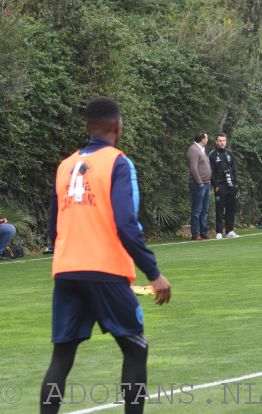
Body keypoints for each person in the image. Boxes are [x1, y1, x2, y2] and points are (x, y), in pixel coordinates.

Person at [40, 97, 171, 414]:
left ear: (87, 127)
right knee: (135, 348)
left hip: (67, 270)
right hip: (105, 270)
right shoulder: (117, 162)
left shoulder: (64, 165)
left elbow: (54, 227)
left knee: (62, 355)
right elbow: (126, 224)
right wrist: (153, 272)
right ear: (117, 126)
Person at [208, 132, 239, 239]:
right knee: (220, 209)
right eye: (220, 141)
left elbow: (234, 170)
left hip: (231, 186)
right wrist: (215, 185)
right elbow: (210, 172)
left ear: (226, 141)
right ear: (216, 142)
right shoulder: (212, 155)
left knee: (231, 208)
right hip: (220, 186)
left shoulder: (230, 154)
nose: (222, 143)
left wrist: (235, 184)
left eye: (224, 140)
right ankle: (219, 231)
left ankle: (230, 230)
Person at [186, 132, 212, 240]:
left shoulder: (201, 150)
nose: (207, 140)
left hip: (206, 183)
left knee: (204, 209)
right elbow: (193, 168)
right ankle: (195, 233)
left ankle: (203, 232)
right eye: (206, 138)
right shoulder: (193, 150)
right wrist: (199, 182)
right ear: (202, 139)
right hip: (198, 184)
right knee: (197, 210)